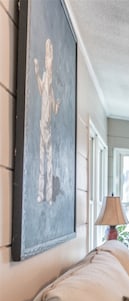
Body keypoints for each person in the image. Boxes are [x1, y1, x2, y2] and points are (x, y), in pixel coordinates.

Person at [34, 38, 60, 204]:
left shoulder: (51, 89)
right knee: (42, 161)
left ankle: (49, 196)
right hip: (42, 125)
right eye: (47, 59)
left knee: (49, 163)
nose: (48, 62)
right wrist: (36, 72)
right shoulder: (45, 79)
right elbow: (40, 87)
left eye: (49, 58)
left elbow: (53, 109)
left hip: (48, 128)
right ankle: (40, 194)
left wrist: (56, 105)